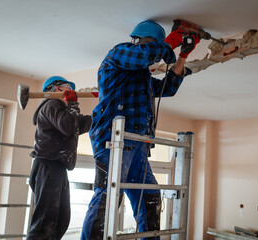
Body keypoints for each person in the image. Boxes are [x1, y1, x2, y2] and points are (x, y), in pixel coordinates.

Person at [81, 20, 199, 239]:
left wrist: (183, 55)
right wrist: (168, 43)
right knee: (108, 196)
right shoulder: (118, 54)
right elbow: (141, 56)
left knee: (150, 197)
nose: (155, 51)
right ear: (141, 40)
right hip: (112, 141)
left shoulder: (141, 76)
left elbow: (168, 87)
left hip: (138, 144)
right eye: (153, 44)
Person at [27, 76, 92, 239]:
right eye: (68, 87)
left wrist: (102, 114)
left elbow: (78, 124)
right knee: (45, 222)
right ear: (57, 89)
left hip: (57, 168)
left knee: (61, 220)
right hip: (48, 166)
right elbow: (68, 126)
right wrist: (73, 104)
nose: (71, 91)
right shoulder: (51, 104)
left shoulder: (61, 111)